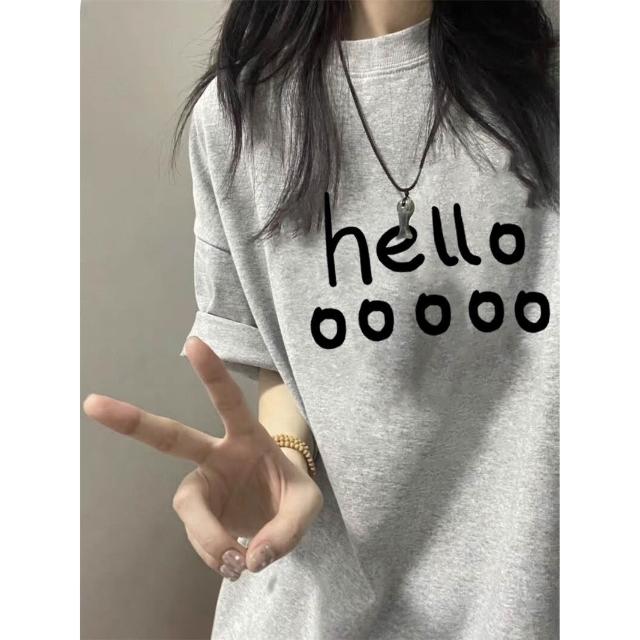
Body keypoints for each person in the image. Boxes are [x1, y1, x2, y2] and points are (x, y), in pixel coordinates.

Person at [83, 0, 559, 638]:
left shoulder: (555, 89)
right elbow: (289, 365)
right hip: (314, 612)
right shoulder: (237, 119)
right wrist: (284, 462)